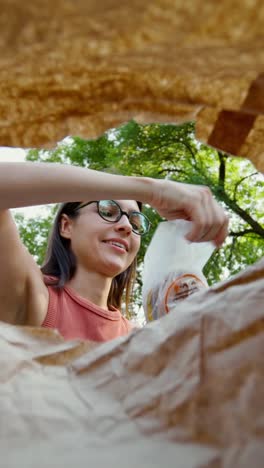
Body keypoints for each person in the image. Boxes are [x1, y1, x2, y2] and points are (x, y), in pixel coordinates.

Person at [0, 161, 229, 341]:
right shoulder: (36, 298)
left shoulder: (138, 340)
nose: (127, 226)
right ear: (66, 226)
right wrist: (153, 190)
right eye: (108, 210)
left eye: (136, 221)